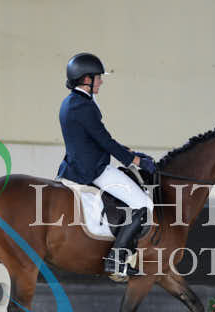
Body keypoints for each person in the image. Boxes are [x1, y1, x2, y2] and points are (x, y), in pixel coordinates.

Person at [56, 52, 155, 278]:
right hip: (93, 170)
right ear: (86, 79)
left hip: (73, 165)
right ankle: (116, 261)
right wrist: (136, 161)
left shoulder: (71, 102)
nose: (101, 82)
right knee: (143, 204)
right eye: (98, 77)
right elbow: (105, 141)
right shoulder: (84, 106)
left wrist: (129, 152)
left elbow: (92, 138)